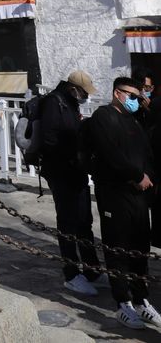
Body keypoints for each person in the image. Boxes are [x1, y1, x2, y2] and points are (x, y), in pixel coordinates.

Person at [86, 74, 161, 330]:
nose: (136, 102)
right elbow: (111, 154)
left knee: (139, 247)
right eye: (132, 96)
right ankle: (123, 304)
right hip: (115, 194)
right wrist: (136, 176)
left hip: (139, 196)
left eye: (139, 98)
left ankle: (141, 299)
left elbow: (146, 153)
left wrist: (149, 177)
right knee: (117, 248)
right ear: (117, 93)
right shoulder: (103, 117)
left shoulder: (134, 121)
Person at [39, 69, 102, 296]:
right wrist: (72, 153)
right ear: (73, 88)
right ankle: (72, 273)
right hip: (61, 172)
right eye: (84, 92)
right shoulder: (53, 103)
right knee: (67, 222)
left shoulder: (70, 104)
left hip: (77, 170)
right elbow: (50, 139)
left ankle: (92, 269)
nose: (86, 96)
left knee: (84, 220)